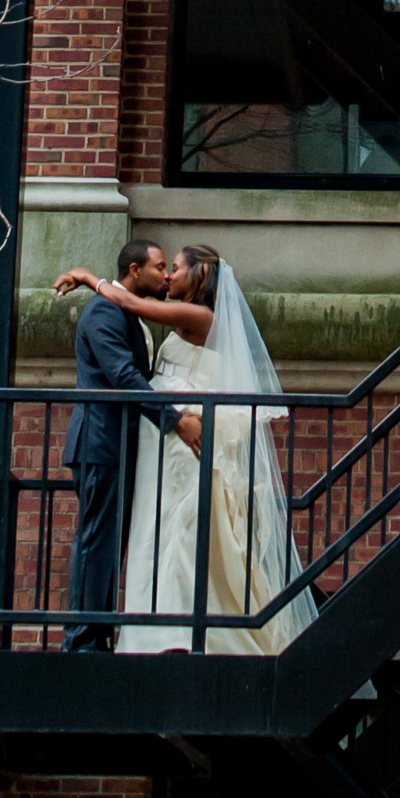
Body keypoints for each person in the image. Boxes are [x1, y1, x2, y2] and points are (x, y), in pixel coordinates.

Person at [116, 242, 316, 657]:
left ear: (197, 276)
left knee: (177, 530)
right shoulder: (187, 318)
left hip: (181, 440)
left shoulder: (199, 316)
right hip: (164, 439)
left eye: (174, 268)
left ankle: (171, 634)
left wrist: (88, 278)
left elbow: (129, 302)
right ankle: (151, 628)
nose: (168, 275)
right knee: (156, 527)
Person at [55, 242, 207, 654]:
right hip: (100, 443)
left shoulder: (129, 312)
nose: (167, 275)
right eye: (160, 267)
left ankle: (96, 634)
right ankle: (81, 641)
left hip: (118, 446)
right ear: (135, 270)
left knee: (108, 543)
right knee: (96, 540)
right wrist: (175, 420)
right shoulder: (104, 313)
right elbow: (123, 376)